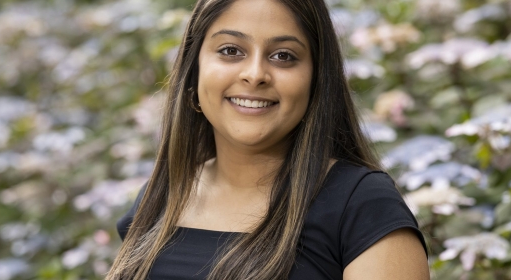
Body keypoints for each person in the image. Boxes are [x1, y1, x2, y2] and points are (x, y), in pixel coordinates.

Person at [108, 0, 429, 279]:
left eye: (283, 56)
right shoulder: (161, 195)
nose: (255, 73)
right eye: (230, 51)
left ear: (316, 81)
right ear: (194, 72)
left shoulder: (362, 205)